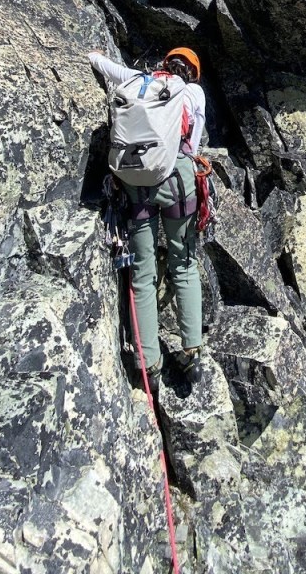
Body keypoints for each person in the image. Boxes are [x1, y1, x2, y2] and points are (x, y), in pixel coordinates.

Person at [89, 46, 206, 384]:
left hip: (136, 180)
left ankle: (148, 363)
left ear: (165, 65)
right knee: (183, 263)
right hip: (177, 180)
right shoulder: (192, 92)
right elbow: (193, 144)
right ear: (192, 72)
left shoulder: (141, 80)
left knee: (143, 271)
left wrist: (95, 56)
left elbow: (107, 68)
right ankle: (191, 352)